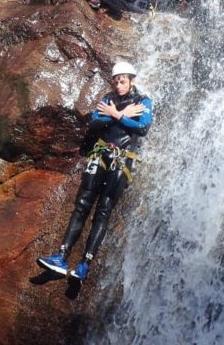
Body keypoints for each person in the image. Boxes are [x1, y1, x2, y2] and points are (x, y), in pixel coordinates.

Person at [37, 61, 153, 281]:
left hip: (123, 158)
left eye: (123, 81)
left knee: (103, 210)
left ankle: (84, 265)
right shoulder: (108, 100)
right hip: (100, 155)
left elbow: (143, 127)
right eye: (116, 81)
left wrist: (116, 115)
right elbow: (94, 123)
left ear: (132, 81)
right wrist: (118, 112)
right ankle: (61, 257)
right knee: (81, 205)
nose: (119, 85)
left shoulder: (143, 101)